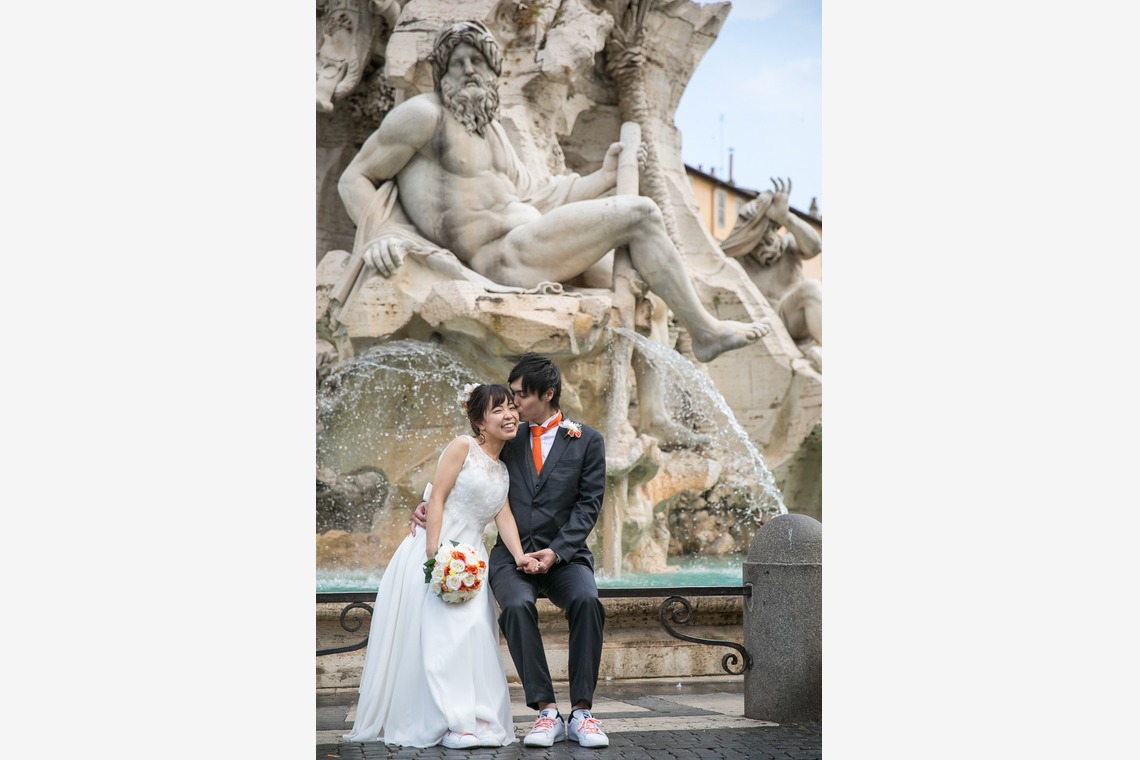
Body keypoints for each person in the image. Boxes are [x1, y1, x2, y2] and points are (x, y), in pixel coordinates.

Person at [338, 19, 769, 364]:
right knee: (641, 214)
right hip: (502, 258)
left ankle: (653, 415)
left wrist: (604, 176)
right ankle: (706, 333)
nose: (468, 70)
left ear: (493, 71)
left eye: (478, 61)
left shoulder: (492, 131)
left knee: (649, 298)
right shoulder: (422, 116)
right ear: (442, 74)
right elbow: (354, 177)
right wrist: (382, 235)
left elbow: (537, 196)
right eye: (457, 62)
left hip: (531, 243)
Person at [413, 353, 610, 748]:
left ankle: (582, 713)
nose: (513, 404)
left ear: (547, 394)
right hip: (512, 555)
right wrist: (427, 503)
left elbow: (589, 505)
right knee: (517, 606)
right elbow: (466, 474)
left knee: (587, 600)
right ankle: (546, 711)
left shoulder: (587, 440)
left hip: (565, 555)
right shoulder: (507, 434)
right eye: (510, 397)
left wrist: (557, 551)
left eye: (520, 395)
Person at [344, 384, 540, 749]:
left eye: (512, 408)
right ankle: (450, 722)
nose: (509, 415)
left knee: (474, 636)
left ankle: (479, 719)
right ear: (479, 421)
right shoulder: (462, 447)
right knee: (443, 637)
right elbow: (436, 497)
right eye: (498, 410)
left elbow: (504, 516)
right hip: (439, 552)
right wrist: (435, 555)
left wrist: (519, 557)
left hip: (473, 561)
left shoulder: (502, 468)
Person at [720, 177, 822, 371]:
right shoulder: (739, 261)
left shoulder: (787, 245)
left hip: (795, 316)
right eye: (764, 228)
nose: (770, 235)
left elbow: (815, 247)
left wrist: (786, 218)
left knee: (811, 287)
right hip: (769, 326)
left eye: (773, 228)